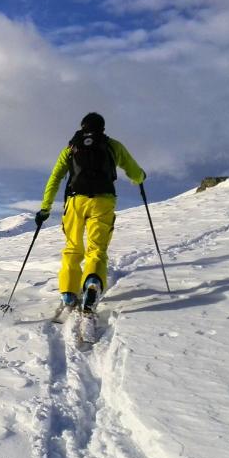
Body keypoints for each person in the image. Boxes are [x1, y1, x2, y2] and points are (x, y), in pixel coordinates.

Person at [35, 112, 145, 312]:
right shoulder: (113, 145)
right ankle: (92, 282)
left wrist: (45, 208)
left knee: (72, 248)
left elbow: (55, 178)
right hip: (103, 201)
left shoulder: (70, 148)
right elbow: (134, 172)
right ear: (102, 128)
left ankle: (68, 293)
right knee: (97, 250)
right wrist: (140, 178)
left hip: (76, 202)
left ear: (82, 126)